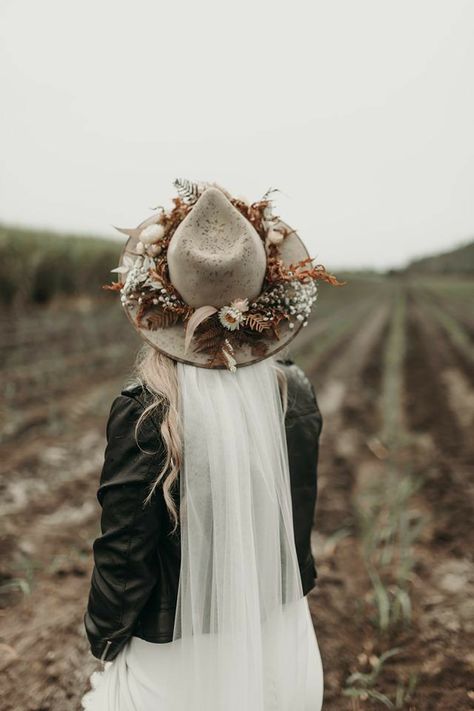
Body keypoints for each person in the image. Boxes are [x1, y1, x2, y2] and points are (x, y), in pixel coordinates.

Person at [81, 181, 338, 710]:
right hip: (284, 649)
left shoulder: (149, 410)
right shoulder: (295, 392)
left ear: (161, 300)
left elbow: (125, 556)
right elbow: (299, 515)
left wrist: (105, 646)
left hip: (178, 670)